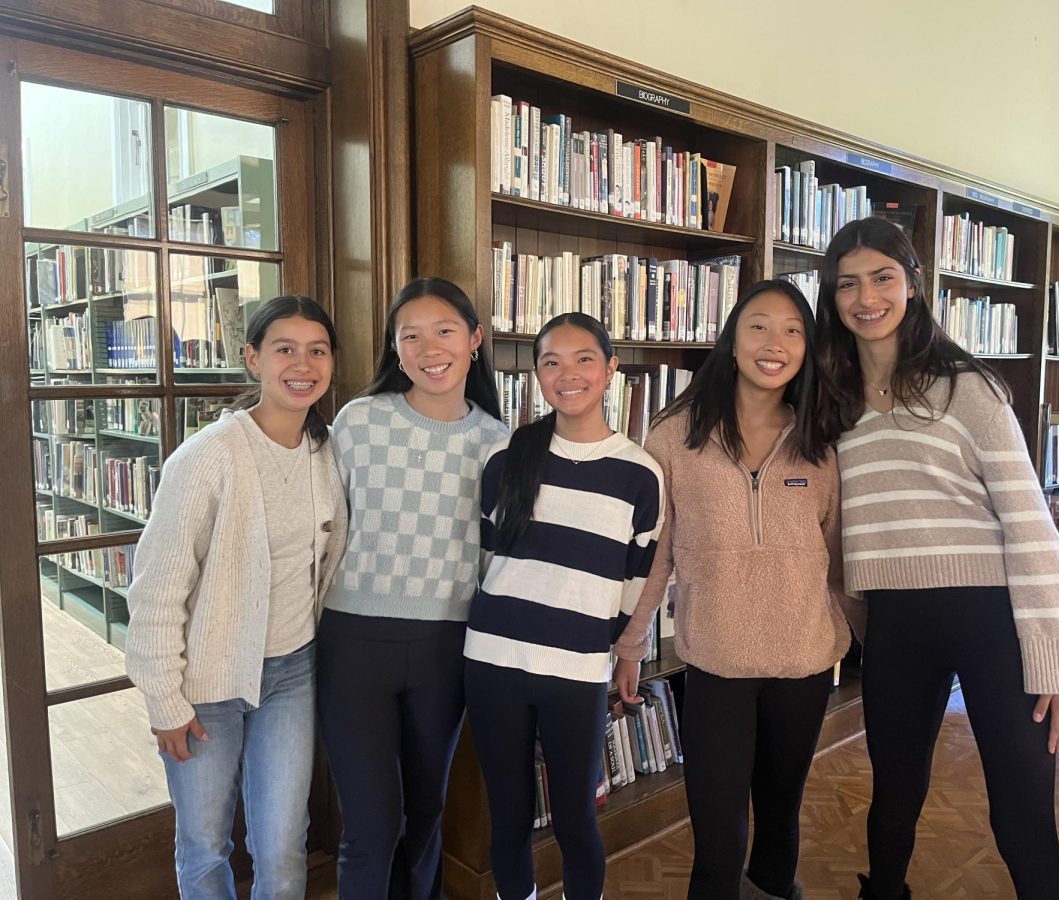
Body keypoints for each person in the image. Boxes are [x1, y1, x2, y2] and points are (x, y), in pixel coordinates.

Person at [813, 216, 1059, 900]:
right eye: (848, 284)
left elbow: (1028, 524)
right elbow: (843, 527)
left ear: (913, 286)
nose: (866, 297)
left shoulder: (968, 388)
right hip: (897, 625)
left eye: (883, 278)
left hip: (991, 620)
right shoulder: (831, 403)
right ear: (832, 298)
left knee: (1021, 810)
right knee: (893, 799)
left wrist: (1057, 653)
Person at [618, 279, 853, 900]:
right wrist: (631, 642)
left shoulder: (826, 440)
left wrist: (874, 639)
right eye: (759, 326)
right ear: (732, 338)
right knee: (718, 837)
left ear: (809, 346)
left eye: (792, 330)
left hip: (802, 662)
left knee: (779, 821)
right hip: (716, 662)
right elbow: (656, 554)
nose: (774, 343)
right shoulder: (675, 437)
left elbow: (839, 558)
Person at [126, 294, 347, 900]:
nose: (302, 364)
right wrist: (163, 698)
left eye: (317, 350)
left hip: (292, 673)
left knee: (282, 844)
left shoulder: (326, 453)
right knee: (204, 842)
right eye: (284, 349)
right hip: (206, 686)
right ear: (252, 359)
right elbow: (156, 589)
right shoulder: (207, 458)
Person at [316, 276, 507, 899]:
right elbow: (322, 527)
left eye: (445, 330)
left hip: (448, 649)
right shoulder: (358, 421)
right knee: (371, 826)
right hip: (353, 644)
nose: (430, 347)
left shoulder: (500, 443)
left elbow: (501, 560)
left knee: (424, 816)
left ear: (474, 340)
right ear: (395, 350)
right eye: (411, 335)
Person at [464, 312, 665, 900]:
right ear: (536, 376)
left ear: (611, 370)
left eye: (583, 360)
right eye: (550, 362)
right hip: (493, 661)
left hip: (576, 670)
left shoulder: (640, 474)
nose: (567, 374)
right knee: (508, 814)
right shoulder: (508, 457)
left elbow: (636, 582)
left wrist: (624, 654)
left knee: (577, 817)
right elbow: (484, 557)